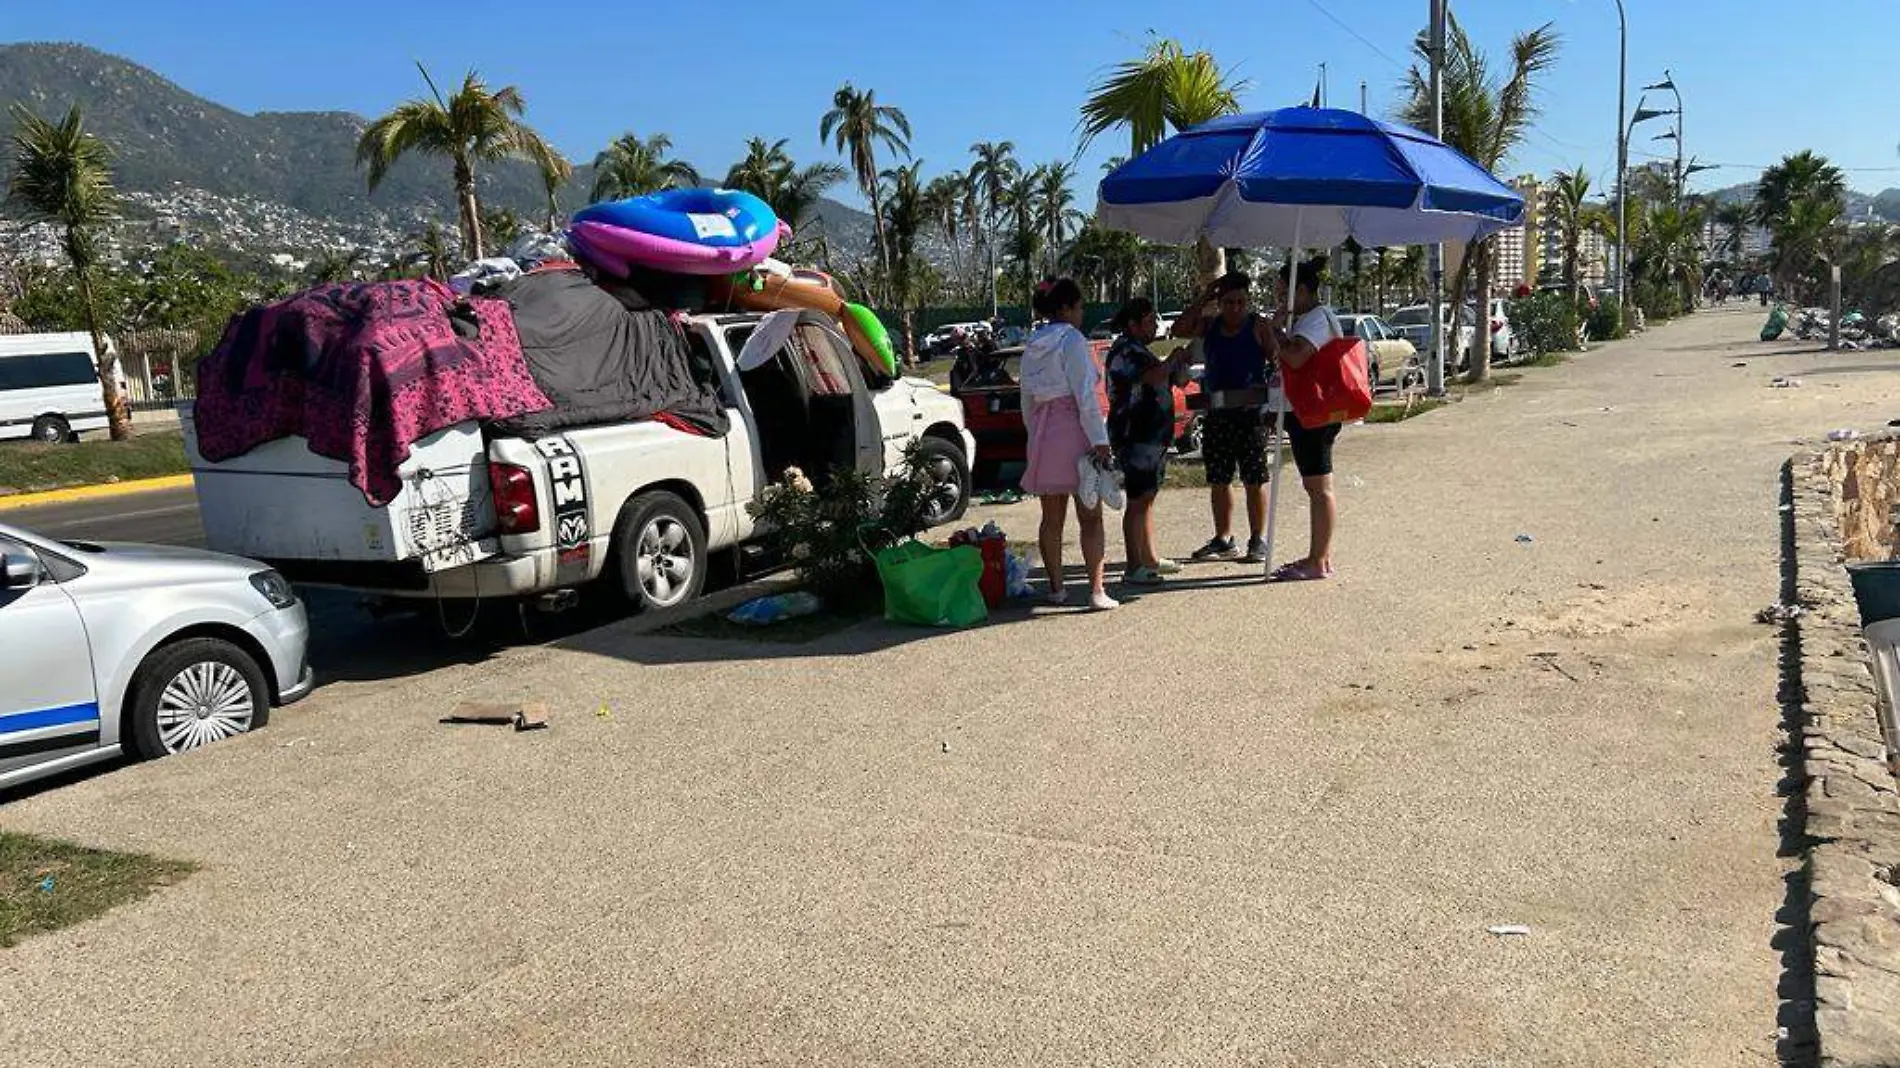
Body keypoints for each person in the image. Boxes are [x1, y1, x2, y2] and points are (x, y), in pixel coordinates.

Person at [1018, 277, 1116, 611]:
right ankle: (1096, 590)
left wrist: (1035, 436)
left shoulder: (1032, 343)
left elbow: (1026, 400)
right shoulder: (1072, 340)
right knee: (1090, 514)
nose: (1081, 313)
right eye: (1079, 307)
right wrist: (1100, 440)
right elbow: (1085, 395)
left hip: (1045, 434)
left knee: (1051, 518)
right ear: (1066, 308)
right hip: (1074, 429)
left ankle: (1056, 588)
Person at [1171, 271, 1274, 563]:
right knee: (1219, 479)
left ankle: (1258, 538)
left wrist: (1274, 402)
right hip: (1217, 415)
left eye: (1241, 302)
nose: (1235, 308)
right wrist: (1204, 296)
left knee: (1254, 478)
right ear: (1220, 303)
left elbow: (1277, 360)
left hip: (1250, 415)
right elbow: (1179, 329)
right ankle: (1224, 538)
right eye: (1229, 302)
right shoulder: (1210, 326)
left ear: (1249, 302)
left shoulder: (1258, 327)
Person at [1261, 257, 1347, 581]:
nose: (1280, 300)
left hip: (1316, 412)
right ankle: (1318, 555)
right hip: (1307, 410)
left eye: (1284, 293)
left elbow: (1296, 358)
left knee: (1319, 486)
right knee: (1315, 486)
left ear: (1302, 290)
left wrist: (1276, 332)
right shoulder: (1308, 319)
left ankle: (1319, 559)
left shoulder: (1316, 319)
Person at [1104, 297, 1190, 586]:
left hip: (1153, 436)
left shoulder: (1141, 350)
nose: (1155, 326)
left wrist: (1179, 365)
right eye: (1150, 321)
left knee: (1148, 499)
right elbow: (1153, 377)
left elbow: (1169, 380)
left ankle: (1149, 557)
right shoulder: (1126, 351)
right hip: (1135, 435)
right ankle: (1133, 565)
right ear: (1133, 324)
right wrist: (1173, 359)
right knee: (1138, 500)